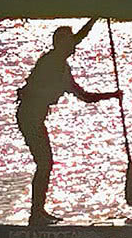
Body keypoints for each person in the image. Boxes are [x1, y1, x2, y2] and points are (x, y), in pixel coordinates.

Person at [17, 18, 121, 225]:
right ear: (60, 44)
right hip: (28, 117)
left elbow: (86, 97)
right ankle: (36, 215)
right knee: (45, 163)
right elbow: (78, 38)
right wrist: (93, 20)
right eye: (69, 42)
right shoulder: (51, 60)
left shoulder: (64, 71)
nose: (73, 45)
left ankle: (38, 212)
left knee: (46, 164)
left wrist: (113, 95)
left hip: (36, 118)